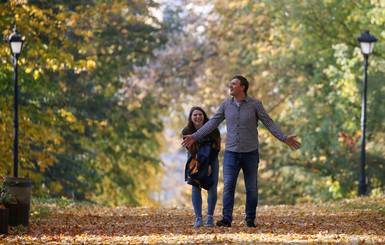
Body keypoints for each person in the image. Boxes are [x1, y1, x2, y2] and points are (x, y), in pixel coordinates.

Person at [181, 75, 301, 228]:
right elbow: (212, 123)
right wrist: (195, 136)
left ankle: (250, 218)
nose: (230, 86)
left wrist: (284, 138)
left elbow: (269, 123)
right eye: (230, 83)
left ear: (242, 87)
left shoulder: (255, 104)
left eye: (233, 84)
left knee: (251, 188)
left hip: (250, 152)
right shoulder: (225, 105)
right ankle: (226, 219)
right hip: (231, 153)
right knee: (228, 186)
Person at [182, 106, 221, 227]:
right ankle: (198, 218)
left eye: (200, 114)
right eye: (195, 115)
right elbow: (190, 149)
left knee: (212, 188)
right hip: (195, 160)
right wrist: (201, 164)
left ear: (204, 116)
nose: (198, 117)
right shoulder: (186, 131)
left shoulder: (213, 129)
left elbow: (217, 147)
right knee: (195, 187)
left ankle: (210, 217)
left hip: (212, 160)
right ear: (191, 118)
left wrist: (209, 164)